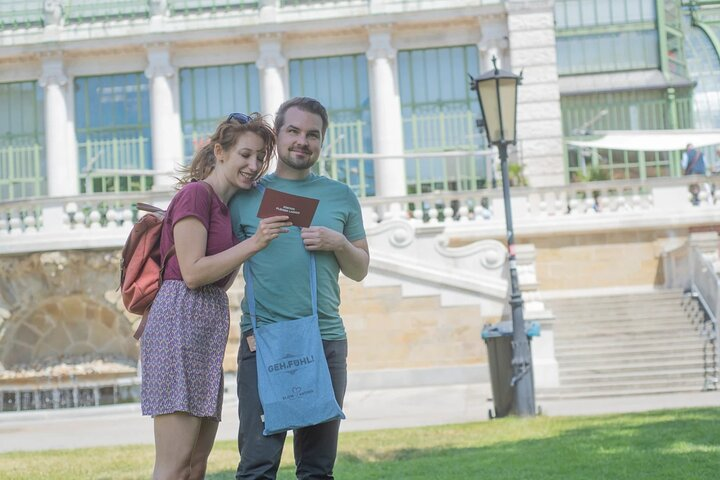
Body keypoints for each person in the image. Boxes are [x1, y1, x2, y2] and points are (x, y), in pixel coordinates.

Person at [140, 112, 292, 480]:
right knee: (174, 465)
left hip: (203, 330)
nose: (253, 165)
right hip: (178, 324)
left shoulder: (224, 207)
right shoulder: (196, 195)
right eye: (245, 154)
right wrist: (254, 243)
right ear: (220, 152)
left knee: (195, 465)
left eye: (260, 158)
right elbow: (192, 273)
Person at [230, 97, 370, 479]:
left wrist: (338, 243)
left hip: (325, 341)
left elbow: (360, 270)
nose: (302, 141)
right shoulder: (244, 195)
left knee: (317, 469)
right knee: (257, 466)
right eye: (293, 131)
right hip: (263, 342)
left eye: (313, 134)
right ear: (278, 135)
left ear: (322, 141)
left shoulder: (340, 196)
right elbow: (213, 263)